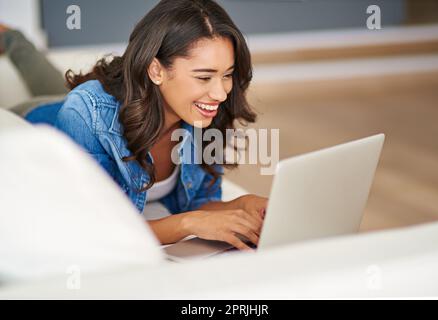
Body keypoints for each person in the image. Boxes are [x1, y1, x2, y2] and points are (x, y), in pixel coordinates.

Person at [0, 0, 268, 251]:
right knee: (50, 88)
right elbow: (92, 230)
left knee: (59, 86)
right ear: (156, 70)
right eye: (204, 77)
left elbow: (198, 202)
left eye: (227, 75)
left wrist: (242, 205)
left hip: (109, 101)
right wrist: (187, 223)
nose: (221, 94)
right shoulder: (86, 113)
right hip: (37, 119)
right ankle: (12, 37)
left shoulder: (201, 113)